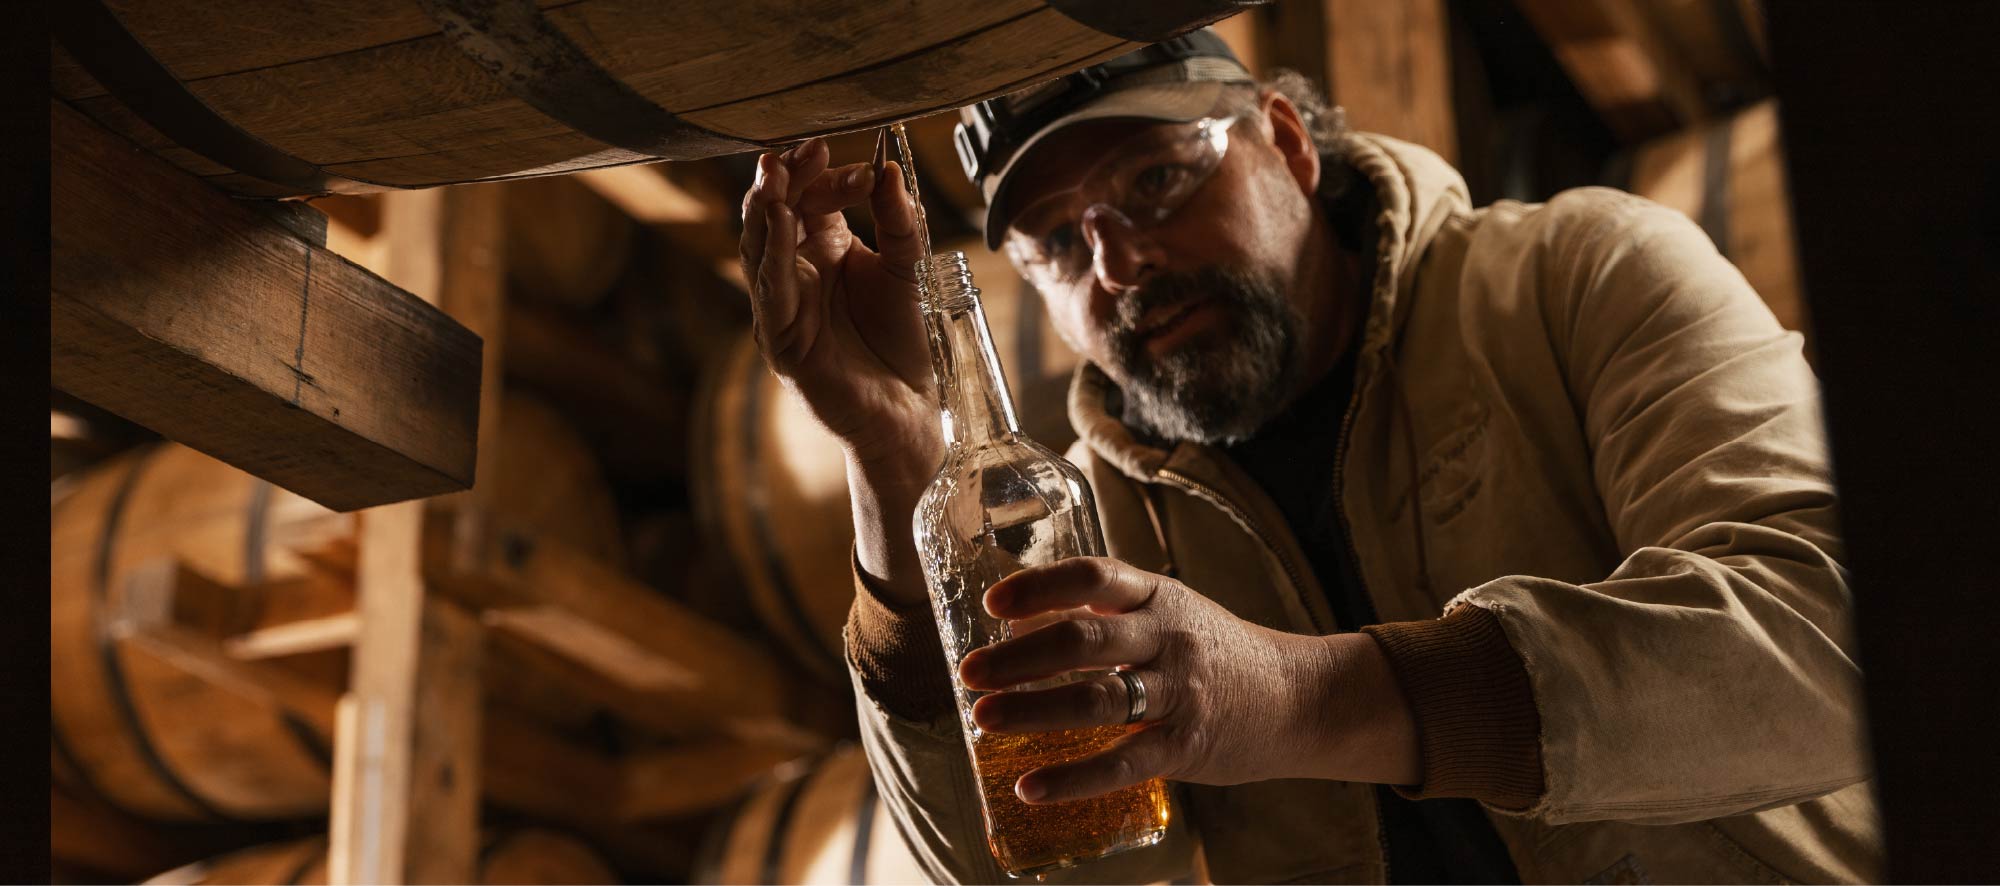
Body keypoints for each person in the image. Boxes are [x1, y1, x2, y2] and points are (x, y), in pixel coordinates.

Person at [736, 28, 1879, 885]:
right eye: (1054, 244)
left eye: (1155, 179)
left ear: (1285, 143)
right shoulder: (1089, 519)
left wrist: (1298, 698)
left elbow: (1838, 641)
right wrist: (892, 457)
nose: (1120, 264)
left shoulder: (1569, 277)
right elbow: (1038, 872)